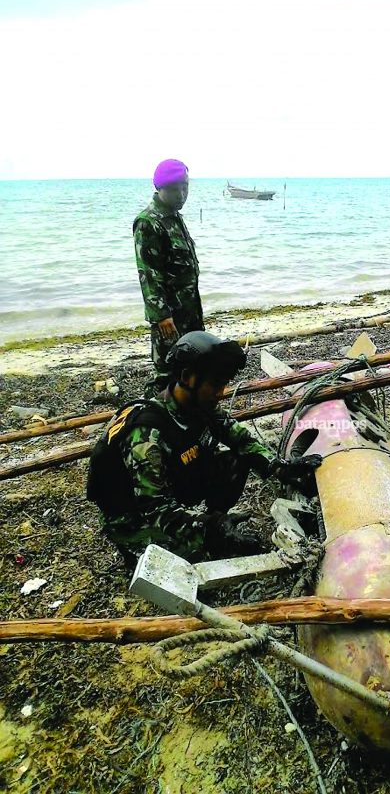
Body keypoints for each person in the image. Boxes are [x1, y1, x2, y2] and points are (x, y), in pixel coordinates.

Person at [87, 331, 321, 569]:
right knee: (183, 561)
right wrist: (211, 528)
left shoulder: (199, 405)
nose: (221, 393)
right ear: (187, 377)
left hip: (169, 492)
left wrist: (278, 467)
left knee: (235, 459)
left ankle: (212, 523)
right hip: (133, 519)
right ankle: (197, 535)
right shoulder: (146, 435)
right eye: (215, 385)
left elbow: (242, 441)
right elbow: (155, 510)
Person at [134, 158, 204, 396]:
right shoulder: (149, 222)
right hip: (169, 317)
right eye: (175, 189)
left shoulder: (174, 217)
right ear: (159, 188)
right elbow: (149, 274)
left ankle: (191, 420)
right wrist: (162, 316)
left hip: (189, 309)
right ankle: (151, 424)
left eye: (185, 186)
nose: (182, 194)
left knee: (192, 367)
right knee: (166, 372)